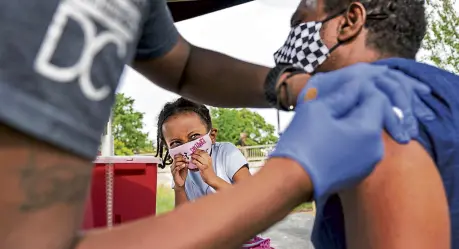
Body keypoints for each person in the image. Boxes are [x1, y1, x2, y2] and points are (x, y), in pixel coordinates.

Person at [0, 0, 435, 248]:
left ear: (351, 20)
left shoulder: (389, 121)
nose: (291, 26)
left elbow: (185, 64)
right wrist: (296, 168)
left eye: (301, 13)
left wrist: (289, 99)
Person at [280, 0, 458, 248]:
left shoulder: (365, 109)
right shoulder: (446, 91)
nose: (289, 42)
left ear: (350, 21)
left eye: (298, 24)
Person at [155, 97, 272, 248]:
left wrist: (212, 179)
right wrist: (179, 187)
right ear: (169, 149)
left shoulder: (227, 153)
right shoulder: (180, 171)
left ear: (212, 136)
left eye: (194, 137)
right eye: (176, 143)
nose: (188, 147)